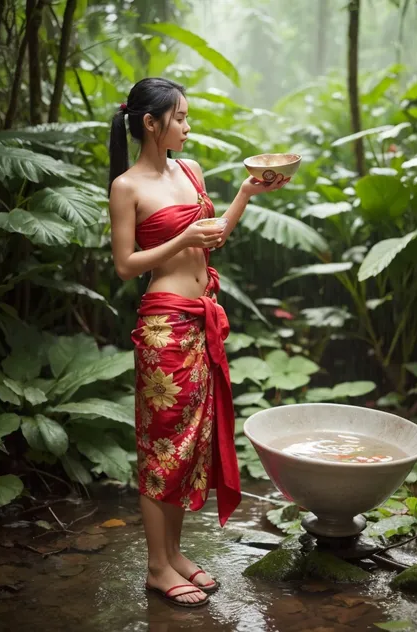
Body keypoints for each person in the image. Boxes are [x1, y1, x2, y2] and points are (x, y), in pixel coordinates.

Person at [108, 77, 287, 608]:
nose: (187, 126)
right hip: (164, 326)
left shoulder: (191, 170)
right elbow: (125, 267)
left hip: (199, 317)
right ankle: (157, 566)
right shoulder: (128, 187)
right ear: (150, 123)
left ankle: (176, 554)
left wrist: (246, 195)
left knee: (190, 444)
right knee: (163, 446)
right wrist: (181, 238)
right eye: (180, 118)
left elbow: (216, 235)